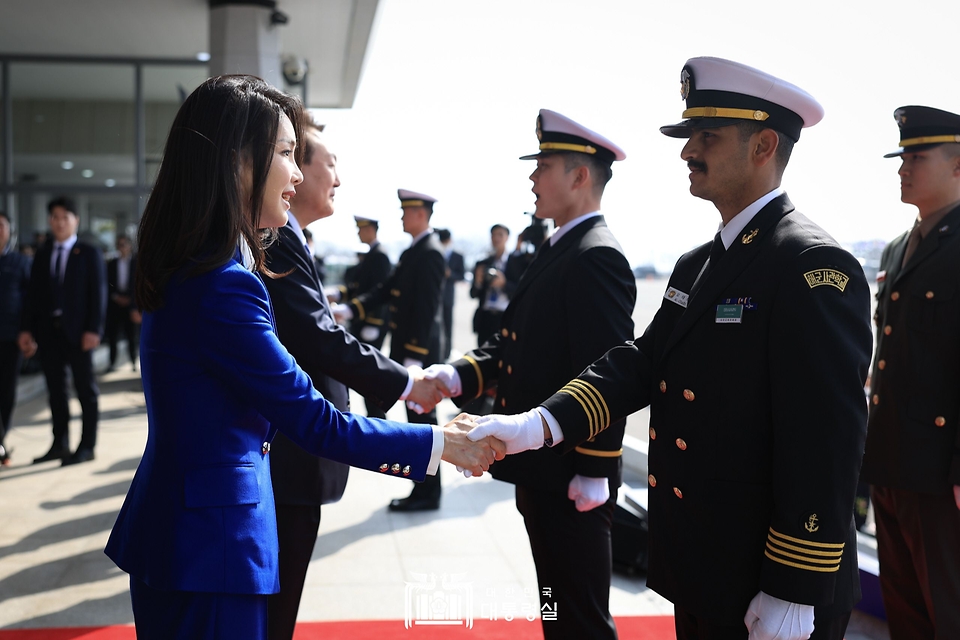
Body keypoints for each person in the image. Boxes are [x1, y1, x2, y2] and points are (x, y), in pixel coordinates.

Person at [466, 58, 873, 640]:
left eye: (707, 137)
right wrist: (538, 425)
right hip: (705, 564)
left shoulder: (811, 266)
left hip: (769, 577)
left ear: (763, 145)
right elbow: (638, 364)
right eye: (689, 137)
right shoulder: (698, 265)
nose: (687, 152)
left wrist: (794, 587)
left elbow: (826, 439)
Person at [101, 75, 502, 640]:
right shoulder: (222, 286)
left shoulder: (198, 265)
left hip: (188, 538)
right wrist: (444, 444)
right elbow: (315, 421)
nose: (297, 173)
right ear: (239, 161)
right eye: (288, 154)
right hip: (212, 549)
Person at [427, 109, 637, 639]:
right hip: (543, 470)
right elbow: (516, 344)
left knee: (580, 617)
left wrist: (595, 468)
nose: (532, 178)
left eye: (544, 165)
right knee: (556, 608)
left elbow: (608, 368)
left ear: (580, 176)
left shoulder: (596, 256)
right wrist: (457, 376)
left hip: (570, 476)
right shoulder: (560, 247)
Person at [261, 120, 447, 640]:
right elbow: (319, 338)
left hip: (306, 442)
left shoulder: (288, 238)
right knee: (275, 606)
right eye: (329, 163)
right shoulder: (275, 239)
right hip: (295, 446)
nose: (335, 178)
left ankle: (423, 486)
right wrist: (408, 382)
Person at [859, 105, 960, 639]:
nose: (902, 168)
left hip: (943, 477)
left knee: (950, 612)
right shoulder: (899, 249)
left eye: (916, 157)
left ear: (959, 166)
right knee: (907, 614)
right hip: (893, 462)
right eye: (902, 157)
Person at [333, 189, 446, 512]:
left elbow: (426, 310)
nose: (401, 217)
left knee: (423, 421)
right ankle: (423, 488)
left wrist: (413, 358)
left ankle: (429, 491)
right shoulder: (415, 251)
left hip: (418, 353)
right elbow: (385, 291)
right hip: (410, 350)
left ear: (421, 214)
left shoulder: (430, 252)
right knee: (416, 421)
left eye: (406, 211)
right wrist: (351, 310)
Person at [19, 196, 107, 466]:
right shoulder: (43, 252)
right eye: (55, 217)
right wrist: (27, 330)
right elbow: (32, 296)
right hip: (49, 333)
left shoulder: (88, 252)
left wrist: (94, 329)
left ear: (75, 221)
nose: (59, 222)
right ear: (49, 221)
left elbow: (99, 294)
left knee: (85, 390)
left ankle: (87, 445)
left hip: (79, 334)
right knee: (56, 390)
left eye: (65, 217)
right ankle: (60, 443)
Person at [0, 211, 31, 466]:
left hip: (11, 338)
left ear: (9, 230)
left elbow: (30, 301)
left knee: (6, 392)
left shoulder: (20, 263)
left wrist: (28, 333)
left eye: (0, 226)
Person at [470, 223, 511, 346]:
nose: (496, 239)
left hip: (505, 318)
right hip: (485, 318)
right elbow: (473, 294)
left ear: (507, 237)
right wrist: (478, 281)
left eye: (500, 235)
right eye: (493, 235)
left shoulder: (516, 262)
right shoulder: (483, 263)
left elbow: (522, 291)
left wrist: (504, 284)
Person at [105, 234, 139, 372]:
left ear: (130, 246)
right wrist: (115, 297)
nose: (122, 247)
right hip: (115, 303)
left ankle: (133, 362)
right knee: (112, 336)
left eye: (124, 244)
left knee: (132, 335)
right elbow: (106, 284)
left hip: (131, 304)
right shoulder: (112, 263)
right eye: (119, 245)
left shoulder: (136, 263)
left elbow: (139, 284)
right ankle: (112, 363)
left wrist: (132, 301)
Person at [437, 228, 465, 361]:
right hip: (435, 296)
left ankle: (446, 354)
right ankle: (437, 351)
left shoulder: (457, 255)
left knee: (447, 326)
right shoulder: (435, 252)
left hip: (448, 296)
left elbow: (461, 275)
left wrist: (450, 274)